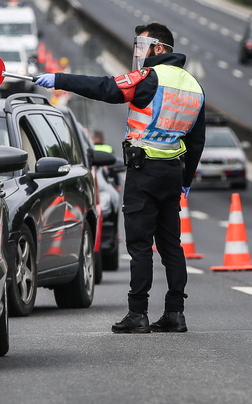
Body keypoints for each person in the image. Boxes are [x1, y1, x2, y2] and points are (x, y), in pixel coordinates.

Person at [34, 22, 206, 334]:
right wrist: (186, 181)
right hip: (172, 172)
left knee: (140, 246)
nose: (139, 54)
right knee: (171, 247)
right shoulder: (193, 85)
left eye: (142, 47)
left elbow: (106, 88)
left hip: (144, 173)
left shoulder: (148, 78)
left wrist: (59, 79)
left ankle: (138, 313)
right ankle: (175, 312)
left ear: (159, 48)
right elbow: (197, 140)